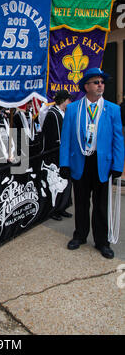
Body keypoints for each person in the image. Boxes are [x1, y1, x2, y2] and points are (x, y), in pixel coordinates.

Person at [59, 68, 125, 259]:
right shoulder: (73, 109)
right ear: (86, 86)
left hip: (101, 163)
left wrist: (117, 166)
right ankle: (79, 236)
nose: (100, 85)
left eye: (102, 82)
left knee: (101, 205)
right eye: (96, 82)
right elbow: (66, 139)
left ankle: (102, 242)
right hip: (80, 162)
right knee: (80, 202)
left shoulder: (113, 109)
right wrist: (65, 163)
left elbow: (117, 140)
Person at [43, 90, 72, 221]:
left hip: (65, 153)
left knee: (66, 182)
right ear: (63, 100)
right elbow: (52, 137)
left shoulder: (63, 113)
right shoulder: (52, 114)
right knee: (57, 183)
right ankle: (54, 209)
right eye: (68, 100)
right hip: (56, 155)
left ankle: (62, 207)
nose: (70, 102)